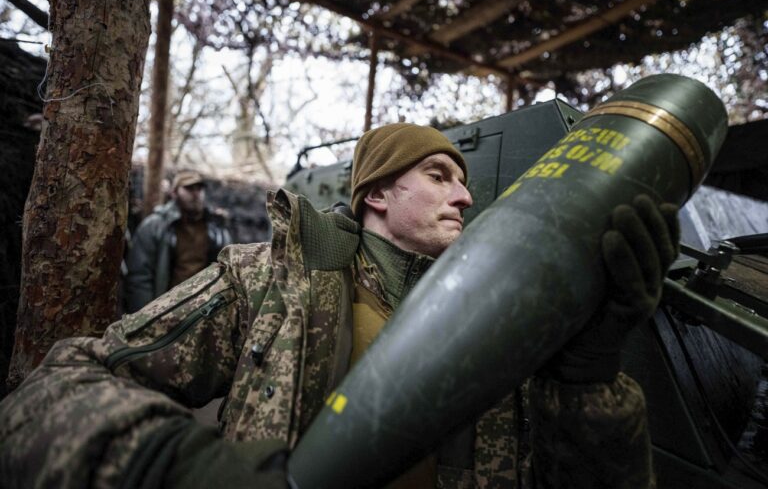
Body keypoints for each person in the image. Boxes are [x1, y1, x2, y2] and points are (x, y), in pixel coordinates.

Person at [0, 123, 679, 488]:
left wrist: (588, 381)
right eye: (439, 176)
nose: (467, 197)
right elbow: (56, 387)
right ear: (376, 195)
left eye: (465, 182)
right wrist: (173, 464)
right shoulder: (271, 283)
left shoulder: (514, 316)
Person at [124, 170, 232, 313]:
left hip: (204, 309)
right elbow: (140, 276)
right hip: (167, 307)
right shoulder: (155, 226)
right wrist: (146, 315)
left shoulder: (216, 227)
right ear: (174, 193)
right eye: (189, 188)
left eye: (199, 188)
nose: (196, 194)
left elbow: (227, 272)